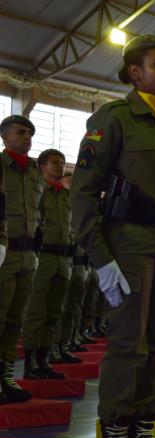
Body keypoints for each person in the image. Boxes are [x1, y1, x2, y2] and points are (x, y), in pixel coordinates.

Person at [71, 34, 155, 438]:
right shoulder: (114, 118)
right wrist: (100, 257)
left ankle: (143, 429)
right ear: (135, 72)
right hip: (129, 242)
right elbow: (83, 193)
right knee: (128, 342)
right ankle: (116, 435)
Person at [22, 149, 81, 383]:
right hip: (43, 256)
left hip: (64, 259)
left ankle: (44, 359)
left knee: (54, 312)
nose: (60, 166)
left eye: (62, 162)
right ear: (42, 166)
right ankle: (30, 364)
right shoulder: (38, 192)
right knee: (36, 312)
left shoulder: (66, 196)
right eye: (55, 163)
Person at [0, 114, 41, 404]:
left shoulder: (35, 171)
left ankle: (5, 374)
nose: (27, 136)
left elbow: (41, 213)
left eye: (30, 132)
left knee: (16, 320)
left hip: (28, 254)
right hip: (4, 251)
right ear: (5, 136)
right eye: (21, 132)